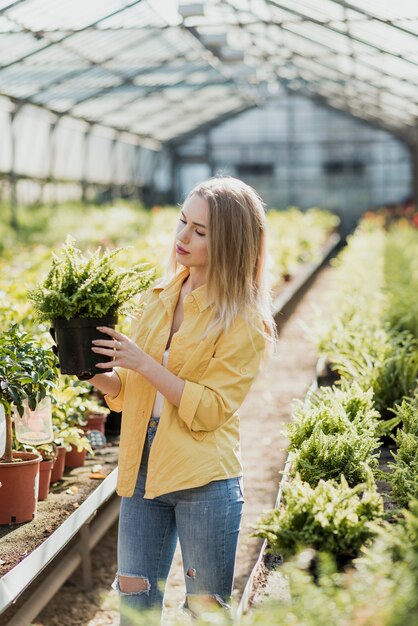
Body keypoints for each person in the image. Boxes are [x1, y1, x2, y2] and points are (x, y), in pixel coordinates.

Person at [87, 176, 276, 624]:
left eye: (200, 231)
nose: (182, 237)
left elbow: (210, 409)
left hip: (203, 478)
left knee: (204, 611)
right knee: (134, 602)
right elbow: (129, 395)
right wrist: (94, 373)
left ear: (229, 242)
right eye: (182, 221)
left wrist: (145, 363)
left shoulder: (244, 319)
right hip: (142, 468)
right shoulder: (159, 298)